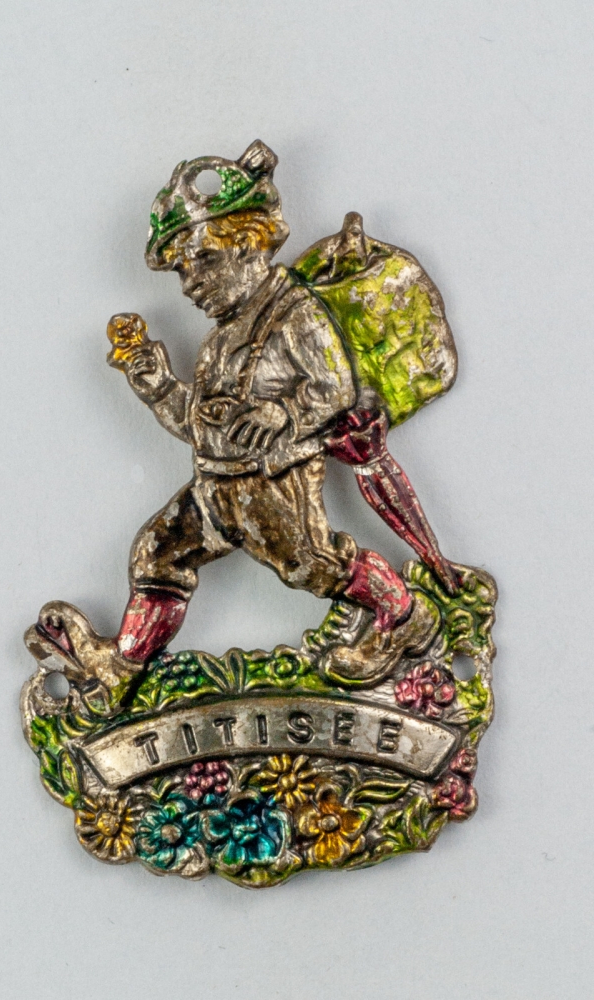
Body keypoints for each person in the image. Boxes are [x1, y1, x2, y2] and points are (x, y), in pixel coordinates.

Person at [33, 140, 439, 691]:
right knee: (158, 552)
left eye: (203, 260)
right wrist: (159, 388)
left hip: (273, 482)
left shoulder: (296, 315)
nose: (189, 284)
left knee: (313, 565)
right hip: (213, 487)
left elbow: (336, 387)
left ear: (249, 245)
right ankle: (123, 666)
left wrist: (282, 413)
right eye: (181, 270)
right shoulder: (219, 341)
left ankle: (403, 614)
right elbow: (200, 427)